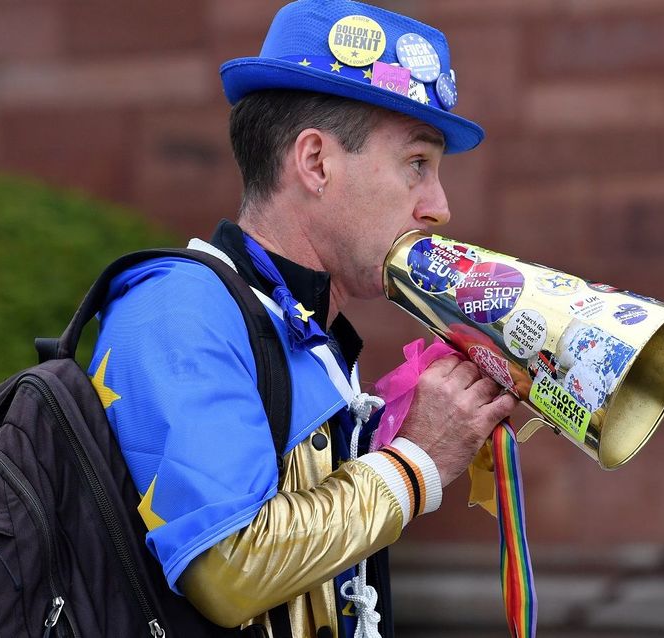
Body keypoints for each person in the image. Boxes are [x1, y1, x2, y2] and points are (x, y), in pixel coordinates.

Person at [87, 1, 518, 636]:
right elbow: (228, 570)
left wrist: (463, 415)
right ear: (315, 162)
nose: (439, 207)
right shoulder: (176, 308)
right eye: (417, 164)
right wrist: (416, 462)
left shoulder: (292, 321)